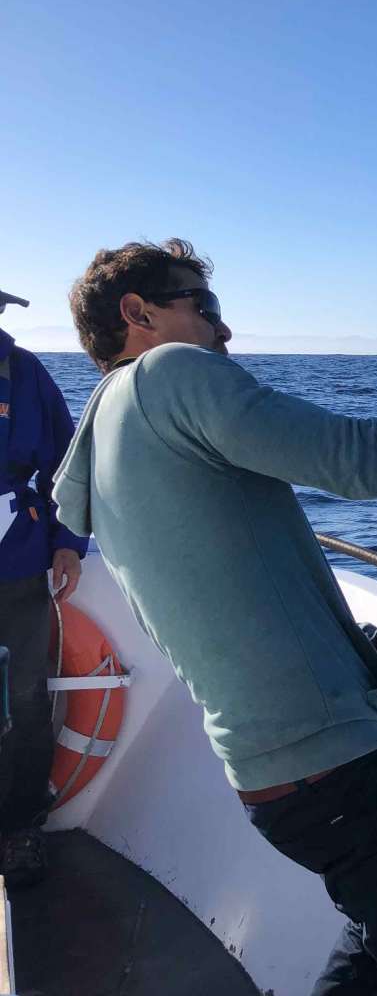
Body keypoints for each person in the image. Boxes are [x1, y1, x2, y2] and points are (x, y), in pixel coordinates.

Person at [54, 240, 377, 995]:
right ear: (137, 313)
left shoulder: (108, 432)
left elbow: (224, 598)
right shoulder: (171, 372)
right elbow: (353, 458)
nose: (224, 332)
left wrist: (372, 647)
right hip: (335, 776)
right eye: (205, 307)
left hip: (290, 780)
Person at [0, 285, 86, 888]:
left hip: (17, 563)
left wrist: (67, 541)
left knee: (27, 700)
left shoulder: (27, 373)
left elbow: (66, 462)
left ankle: (19, 828)